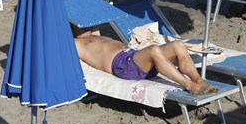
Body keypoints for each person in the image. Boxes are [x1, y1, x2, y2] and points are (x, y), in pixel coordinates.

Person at [71, 24, 219, 95]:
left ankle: (198, 80)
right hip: (123, 66)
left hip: (136, 58)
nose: (82, 26)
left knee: (178, 45)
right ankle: (188, 85)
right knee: (154, 49)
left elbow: (91, 15)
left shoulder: (95, 34)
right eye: (77, 25)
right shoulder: (77, 44)